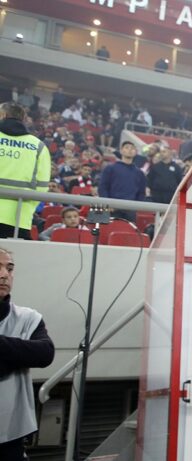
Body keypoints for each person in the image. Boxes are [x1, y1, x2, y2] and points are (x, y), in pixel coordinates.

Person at [0, 248, 55, 460]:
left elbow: (44, 354)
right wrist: (17, 355)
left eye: (9, 268)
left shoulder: (28, 317)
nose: (4, 275)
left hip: (10, 435)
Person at [0, 102, 51, 239]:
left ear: (3, 115)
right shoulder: (38, 145)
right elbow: (42, 187)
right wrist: (28, 207)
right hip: (19, 217)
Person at [98, 141, 146, 222]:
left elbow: (141, 193)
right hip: (111, 209)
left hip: (130, 211)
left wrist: (135, 207)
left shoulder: (140, 173)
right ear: (121, 151)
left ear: (135, 152)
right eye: (127, 147)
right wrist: (107, 204)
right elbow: (102, 187)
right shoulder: (110, 168)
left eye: (132, 148)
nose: (130, 150)